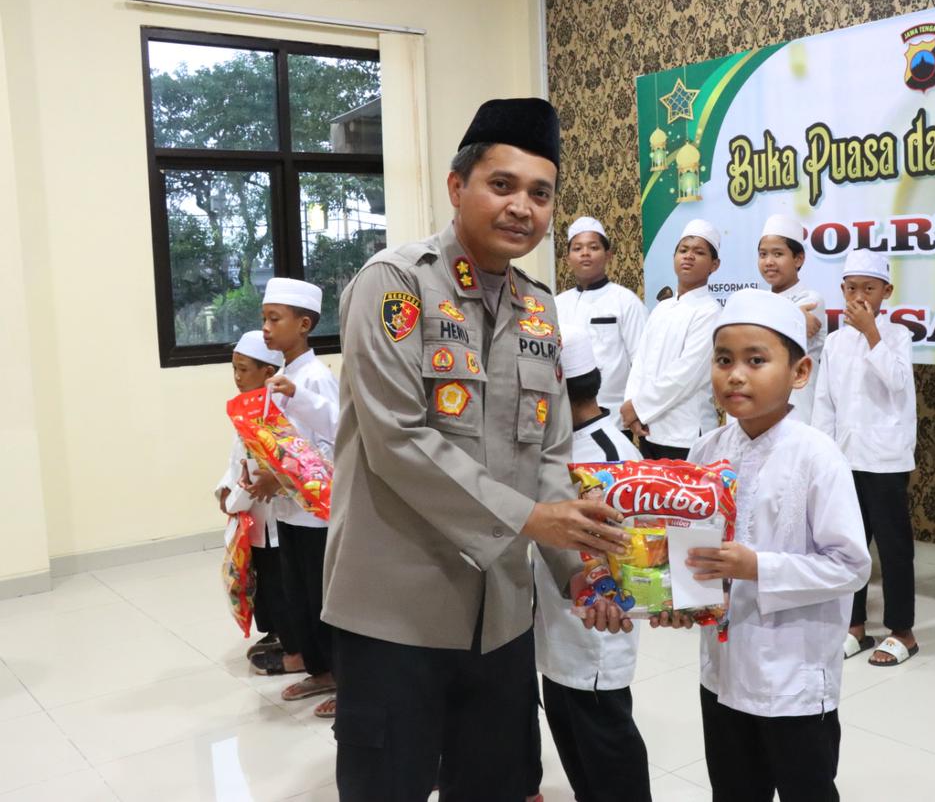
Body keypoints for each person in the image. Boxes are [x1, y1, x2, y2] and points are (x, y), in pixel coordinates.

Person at [321, 97, 632, 802]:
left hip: (499, 614)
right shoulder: (395, 284)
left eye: (540, 193)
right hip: (396, 607)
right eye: (503, 185)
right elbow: (398, 436)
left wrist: (577, 569)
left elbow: (552, 454)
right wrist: (529, 521)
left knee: (495, 784)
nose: (523, 206)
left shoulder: (539, 306)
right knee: (387, 786)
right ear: (458, 187)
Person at [658, 287, 871, 802]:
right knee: (733, 789)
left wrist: (759, 567)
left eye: (757, 361)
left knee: (807, 790)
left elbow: (850, 567)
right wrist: (681, 599)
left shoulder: (817, 456)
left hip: (794, 678)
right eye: (724, 359)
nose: (736, 375)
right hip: (722, 673)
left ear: (799, 374)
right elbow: (692, 548)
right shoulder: (706, 449)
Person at [530, 325, 650, 802]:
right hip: (560, 629)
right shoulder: (560, 447)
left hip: (594, 635)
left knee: (606, 744)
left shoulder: (606, 459)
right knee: (573, 736)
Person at [811, 249, 918, 666]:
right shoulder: (835, 343)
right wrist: (823, 453)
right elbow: (825, 403)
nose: (859, 297)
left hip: (887, 459)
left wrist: (873, 333)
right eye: (851, 288)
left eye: (868, 289)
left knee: (893, 548)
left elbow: (895, 381)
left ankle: (902, 631)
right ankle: (854, 625)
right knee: (849, 545)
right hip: (845, 459)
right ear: (841, 290)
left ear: (886, 292)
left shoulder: (897, 336)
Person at [248, 278, 341, 720]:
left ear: (303, 325)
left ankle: (346, 678)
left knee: (325, 602)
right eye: (264, 318)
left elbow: (332, 442)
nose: (266, 328)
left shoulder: (315, 378)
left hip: (317, 514)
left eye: (274, 319)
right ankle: (319, 669)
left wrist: (280, 478)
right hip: (289, 511)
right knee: (299, 597)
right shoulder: (280, 378)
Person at [215, 330, 290, 663]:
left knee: (280, 576)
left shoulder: (280, 409)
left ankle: (291, 640)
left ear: (268, 373)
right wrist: (225, 488)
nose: (237, 378)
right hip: (251, 510)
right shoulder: (246, 409)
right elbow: (236, 457)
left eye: (244, 370)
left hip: (276, 511)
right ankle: (275, 632)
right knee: (260, 573)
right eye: (234, 369)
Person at [620, 219, 721, 460]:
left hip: (685, 433)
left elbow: (685, 375)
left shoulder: (710, 311)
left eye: (699, 252)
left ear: (714, 265)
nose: (688, 257)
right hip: (649, 429)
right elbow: (640, 362)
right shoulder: (662, 309)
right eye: (683, 250)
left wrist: (639, 407)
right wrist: (632, 411)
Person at [554, 216, 647, 429]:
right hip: (564, 414)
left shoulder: (625, 301)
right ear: (568, 258)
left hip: (611, 414)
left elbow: (641, 360)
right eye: (577, 248)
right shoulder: (556, 303)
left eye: (593, 247)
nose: (585, 253)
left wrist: (636, 408)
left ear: (608, 255)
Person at [756, 213, 825, 423]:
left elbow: (772, 341)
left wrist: (757, 326)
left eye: (778, 254)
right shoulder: (758, 301)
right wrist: (787, 319)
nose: (768, 262)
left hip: (797, 408)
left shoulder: (812, 299)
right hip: (760, 405)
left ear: (798, 258)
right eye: (763, 254)